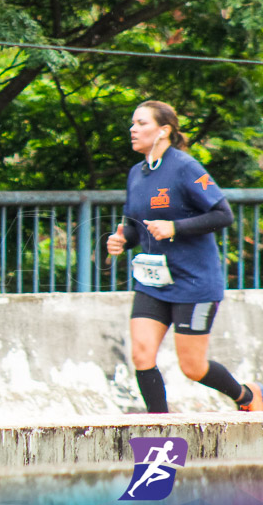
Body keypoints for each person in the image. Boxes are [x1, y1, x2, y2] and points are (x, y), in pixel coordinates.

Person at [106, 100, 261, 413]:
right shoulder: (136, 173)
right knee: (142, 355)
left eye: (141, 123)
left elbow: (222, 214)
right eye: (132, 124)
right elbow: (136, 229)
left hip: (194, 283)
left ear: (164, 131)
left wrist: (175, 226)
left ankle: (247, 396)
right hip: (153, 282)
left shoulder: (185, 167)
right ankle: (159, 427)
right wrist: (121, 240)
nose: (133, 130)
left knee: (193, 366)